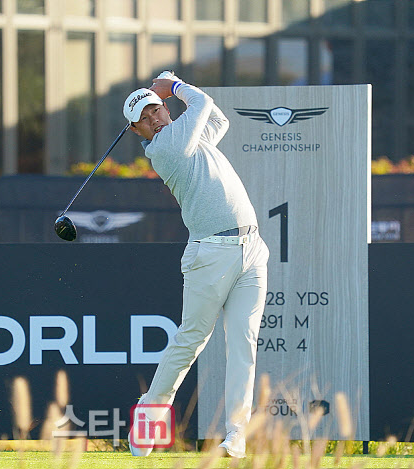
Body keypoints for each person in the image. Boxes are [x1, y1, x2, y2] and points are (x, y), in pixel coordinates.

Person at [124, 73, 269, 458]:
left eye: (156, 108)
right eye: (144, 116)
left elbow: (219, 121)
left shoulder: (190, 138)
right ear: (137, 129)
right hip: (211, 254)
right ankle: (150, 413)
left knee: (244, 342)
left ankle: (237, 434)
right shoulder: (165, 146)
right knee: (192, 340)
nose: (154, 117)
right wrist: (172, 84)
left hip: (252, 247)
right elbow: (202, 105)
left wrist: (172, 90)